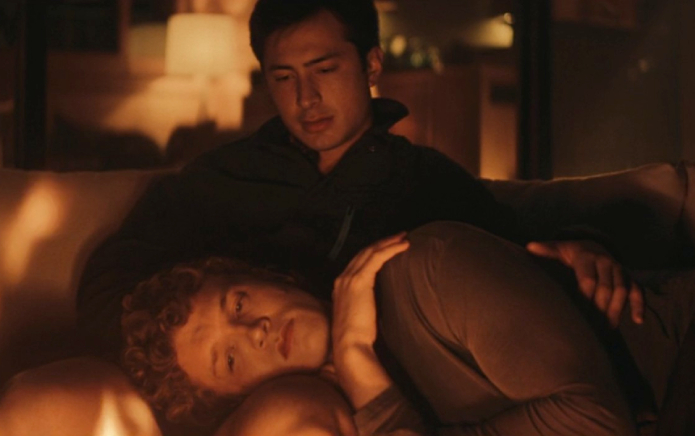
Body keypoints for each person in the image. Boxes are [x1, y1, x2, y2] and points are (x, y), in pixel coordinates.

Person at [119, 222, 695, 436]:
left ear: (268, 278)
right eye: (230, 359)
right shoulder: (337, 411)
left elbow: (601, 425)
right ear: (243, 399)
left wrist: (357, 358)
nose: (257, 330)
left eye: (239, 303)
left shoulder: (426, 270)